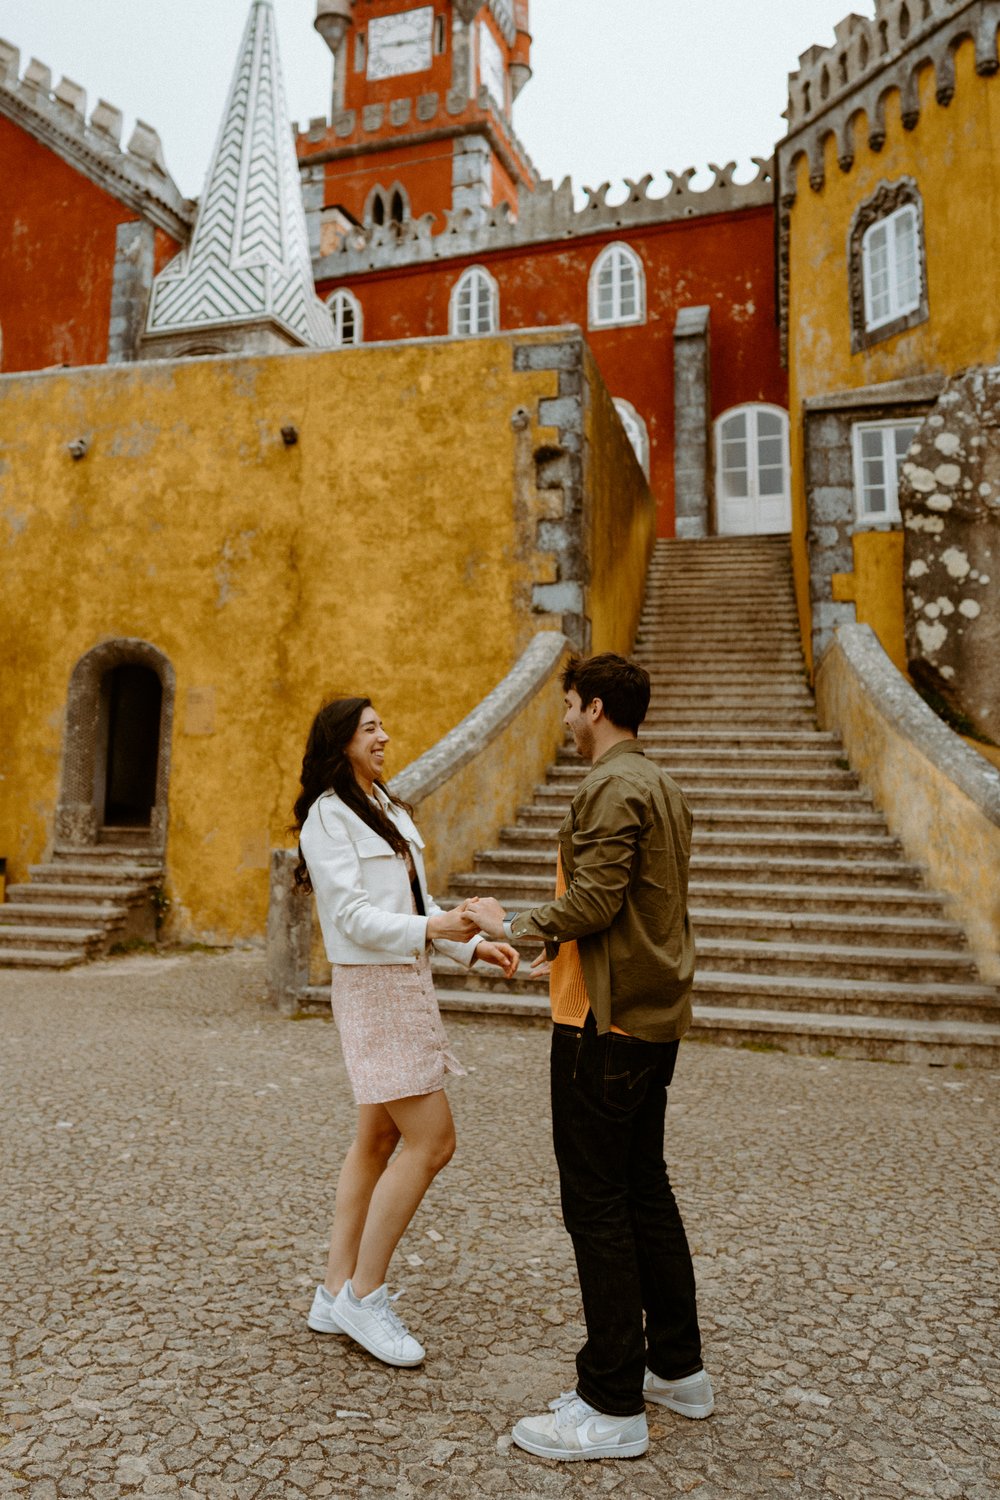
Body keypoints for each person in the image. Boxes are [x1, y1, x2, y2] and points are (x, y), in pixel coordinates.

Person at [468, 652, 713, 1463]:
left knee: (598, 1206)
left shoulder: (610, 786)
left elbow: (595, 901)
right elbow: (634, 913)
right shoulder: (662, 784)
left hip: (600, 1031)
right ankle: (676, 1368)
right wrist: (554, 954)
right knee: (644, 1189)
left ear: (598, 707)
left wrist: (504, 925)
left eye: (570, 705)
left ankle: (611, 1403)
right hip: (646, 1019)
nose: (566, 720)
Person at [293, 695, 519, 1369]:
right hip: (375, 989)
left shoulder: (388, 810)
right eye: (370, 730)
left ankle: (334, 1292)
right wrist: (440, 930)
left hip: (405, 979)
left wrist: (470, 948)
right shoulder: (326, 820)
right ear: (340, 744)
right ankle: (366, 1296)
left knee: (377, 1139)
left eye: (382, 725)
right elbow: (356, 919)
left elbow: (417, 909)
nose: (385, 736)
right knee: (434, 1141)